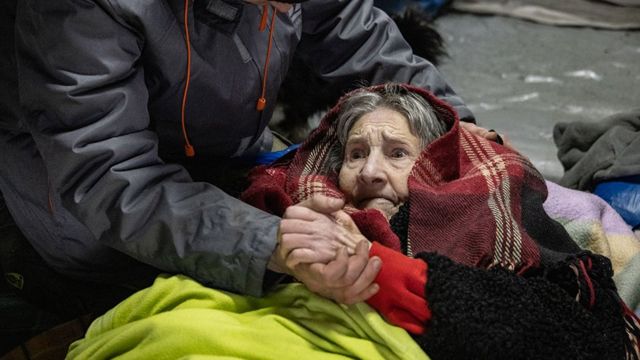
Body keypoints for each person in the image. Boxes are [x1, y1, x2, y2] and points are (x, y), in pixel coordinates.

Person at [0, 0, 479, 332]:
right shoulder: (78, 11)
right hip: (82, 203)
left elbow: (355, 34)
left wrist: (457, 126)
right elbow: (109, 175)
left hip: (221, 158)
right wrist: (267, 242)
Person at [242, 83, 640, 359]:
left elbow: (574, 335)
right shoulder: (295, 214)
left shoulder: (488, 216)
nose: (369, 172)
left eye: (398, 153)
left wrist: (375, 267)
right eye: (356, 154)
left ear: (437, 164)